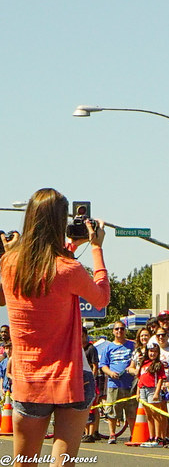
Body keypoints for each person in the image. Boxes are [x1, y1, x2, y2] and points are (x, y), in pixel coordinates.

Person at [0, 188, 110, 465]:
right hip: (70, 376)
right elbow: (101, 299)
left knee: (24, 461)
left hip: (29, 379)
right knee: (63, 462)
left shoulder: (9, 264)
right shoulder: (68, 269)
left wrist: (12, 252)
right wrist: (95, 248)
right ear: (61, 222)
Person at [101, 322, 135, 444]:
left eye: (122, 328)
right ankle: (112, 434)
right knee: (112, 412)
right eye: (117, 329)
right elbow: (103, 365)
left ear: (125, 330)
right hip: (114, 384)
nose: (119, 331)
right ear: (113, 331)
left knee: (131, 411)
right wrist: (110, 373)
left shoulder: (132, 345)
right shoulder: (108, 347)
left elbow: (137, 360)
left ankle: (133, 435)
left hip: (130, 384)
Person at [138, 345, 167, 447]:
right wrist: (138, 392)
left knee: (156, 414)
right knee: (148, 415)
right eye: (150, 351)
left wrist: (156, 392)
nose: (152, 353)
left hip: (152, 389)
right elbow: (140, 378)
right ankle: (151, 436)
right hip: (143, 389)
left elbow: (160, 379)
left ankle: (158, 437)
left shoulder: (159, 364)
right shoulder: (144, 363)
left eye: (155, 351)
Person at [81, 327, 101, 443]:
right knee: (83, 407)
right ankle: (84, 431)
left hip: (90, 380)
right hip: (79, 379)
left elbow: (95, 366)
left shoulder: (91, 348)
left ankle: (93, 432)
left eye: (83, 335)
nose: (81, 338)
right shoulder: (77, 348)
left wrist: (92, 379)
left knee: (93, 407)